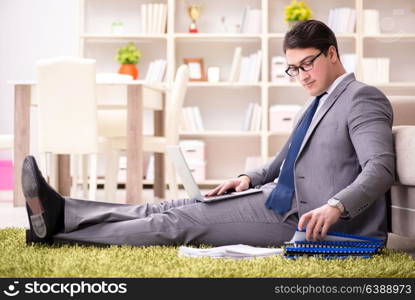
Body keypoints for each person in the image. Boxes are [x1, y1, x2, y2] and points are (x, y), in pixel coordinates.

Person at [22, 20, 394, 247]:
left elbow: (379, 168)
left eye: (307, 64)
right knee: (163, 206)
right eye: (293, 70)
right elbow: (282, 163)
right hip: (276, 199)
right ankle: (64, 210)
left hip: (304, 217)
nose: (301, 76)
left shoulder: (361, 98)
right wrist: (247, 177)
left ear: (332, 54)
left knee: (177, 224)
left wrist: (336, 205)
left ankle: (57, 234)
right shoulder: (315, 102)